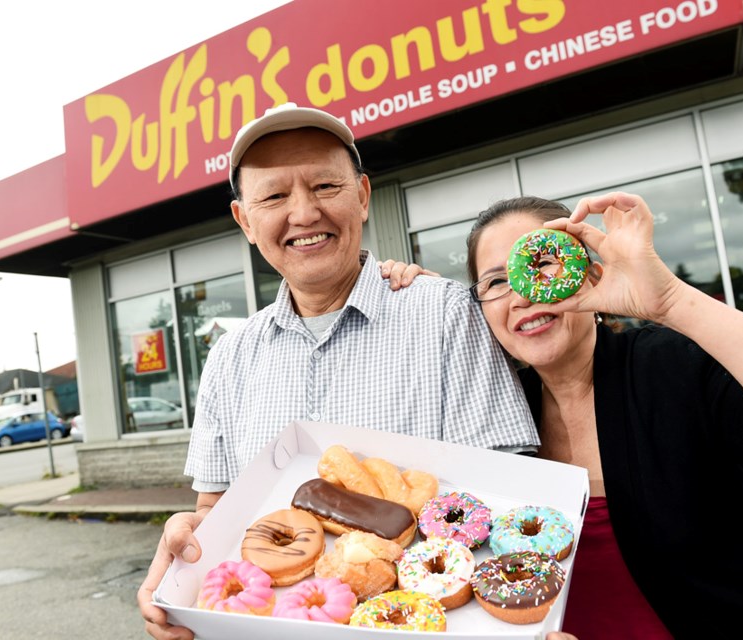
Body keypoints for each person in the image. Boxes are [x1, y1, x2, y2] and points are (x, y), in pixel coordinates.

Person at [136, 103, 542, 639]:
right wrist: (186, 555)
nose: (303, 214)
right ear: (245, 222)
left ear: (364, 196)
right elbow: (215, 510)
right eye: (275, 195)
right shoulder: (229, 357)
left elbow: (505, 493)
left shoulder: (445, 314)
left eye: (325, 186)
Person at [461, 193, 743, 639]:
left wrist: (668, 301)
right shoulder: (496, 418)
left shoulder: (671, 368)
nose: (522, 294)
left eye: (541, 265)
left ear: (589, 272)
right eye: (496, 283)